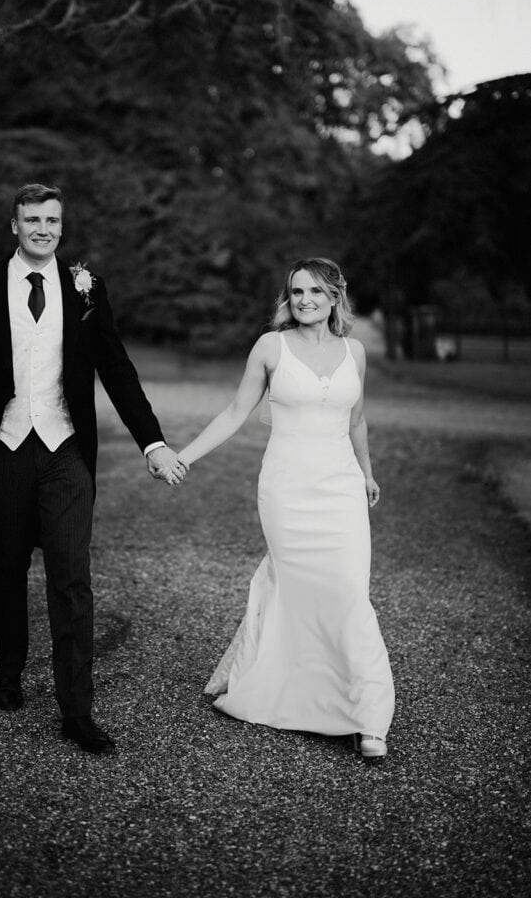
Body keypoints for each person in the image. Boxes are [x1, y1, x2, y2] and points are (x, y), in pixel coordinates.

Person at [0, 183, 186, 754]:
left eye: (52, 220)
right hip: (3, 448)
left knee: (71, 577)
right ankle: (9, 670)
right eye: (32, 220)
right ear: (14, 225)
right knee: (5, 568)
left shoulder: (87, 286)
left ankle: (77, 710)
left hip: (66, 450)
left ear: (61, 226)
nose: (43, 229)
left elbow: (117, 369)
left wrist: (152, 442)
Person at [178, 258, 394, 760]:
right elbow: (236, 412)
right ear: (287, 298)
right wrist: (183, 457)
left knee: (348, 592)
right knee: (296, 590)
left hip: (341, 489)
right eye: (297, 292)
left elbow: (356, 420)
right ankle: (295, 692)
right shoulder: (270, 347)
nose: (305, 300)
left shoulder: (354, 352)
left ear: (335, 296)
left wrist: (366, 473)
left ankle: (369, 717)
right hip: (287, 491)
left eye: (316, 291)